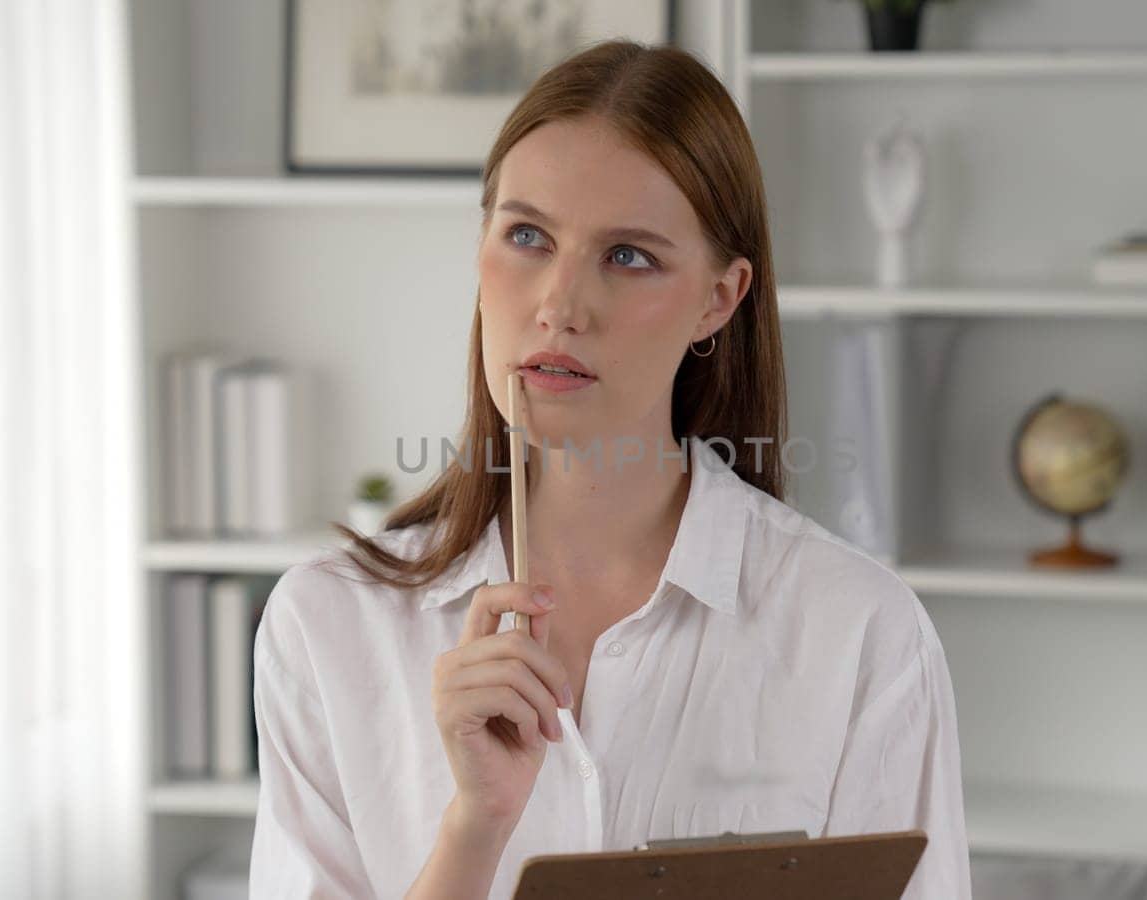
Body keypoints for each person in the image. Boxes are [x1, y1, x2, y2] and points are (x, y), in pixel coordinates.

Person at [248, 39, 971, 900]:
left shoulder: (862, 634)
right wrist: (473, 829)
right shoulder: (328, 626)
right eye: (526, 236)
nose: (559, 305)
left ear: (720, 297)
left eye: (628, 256)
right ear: (481, 258)